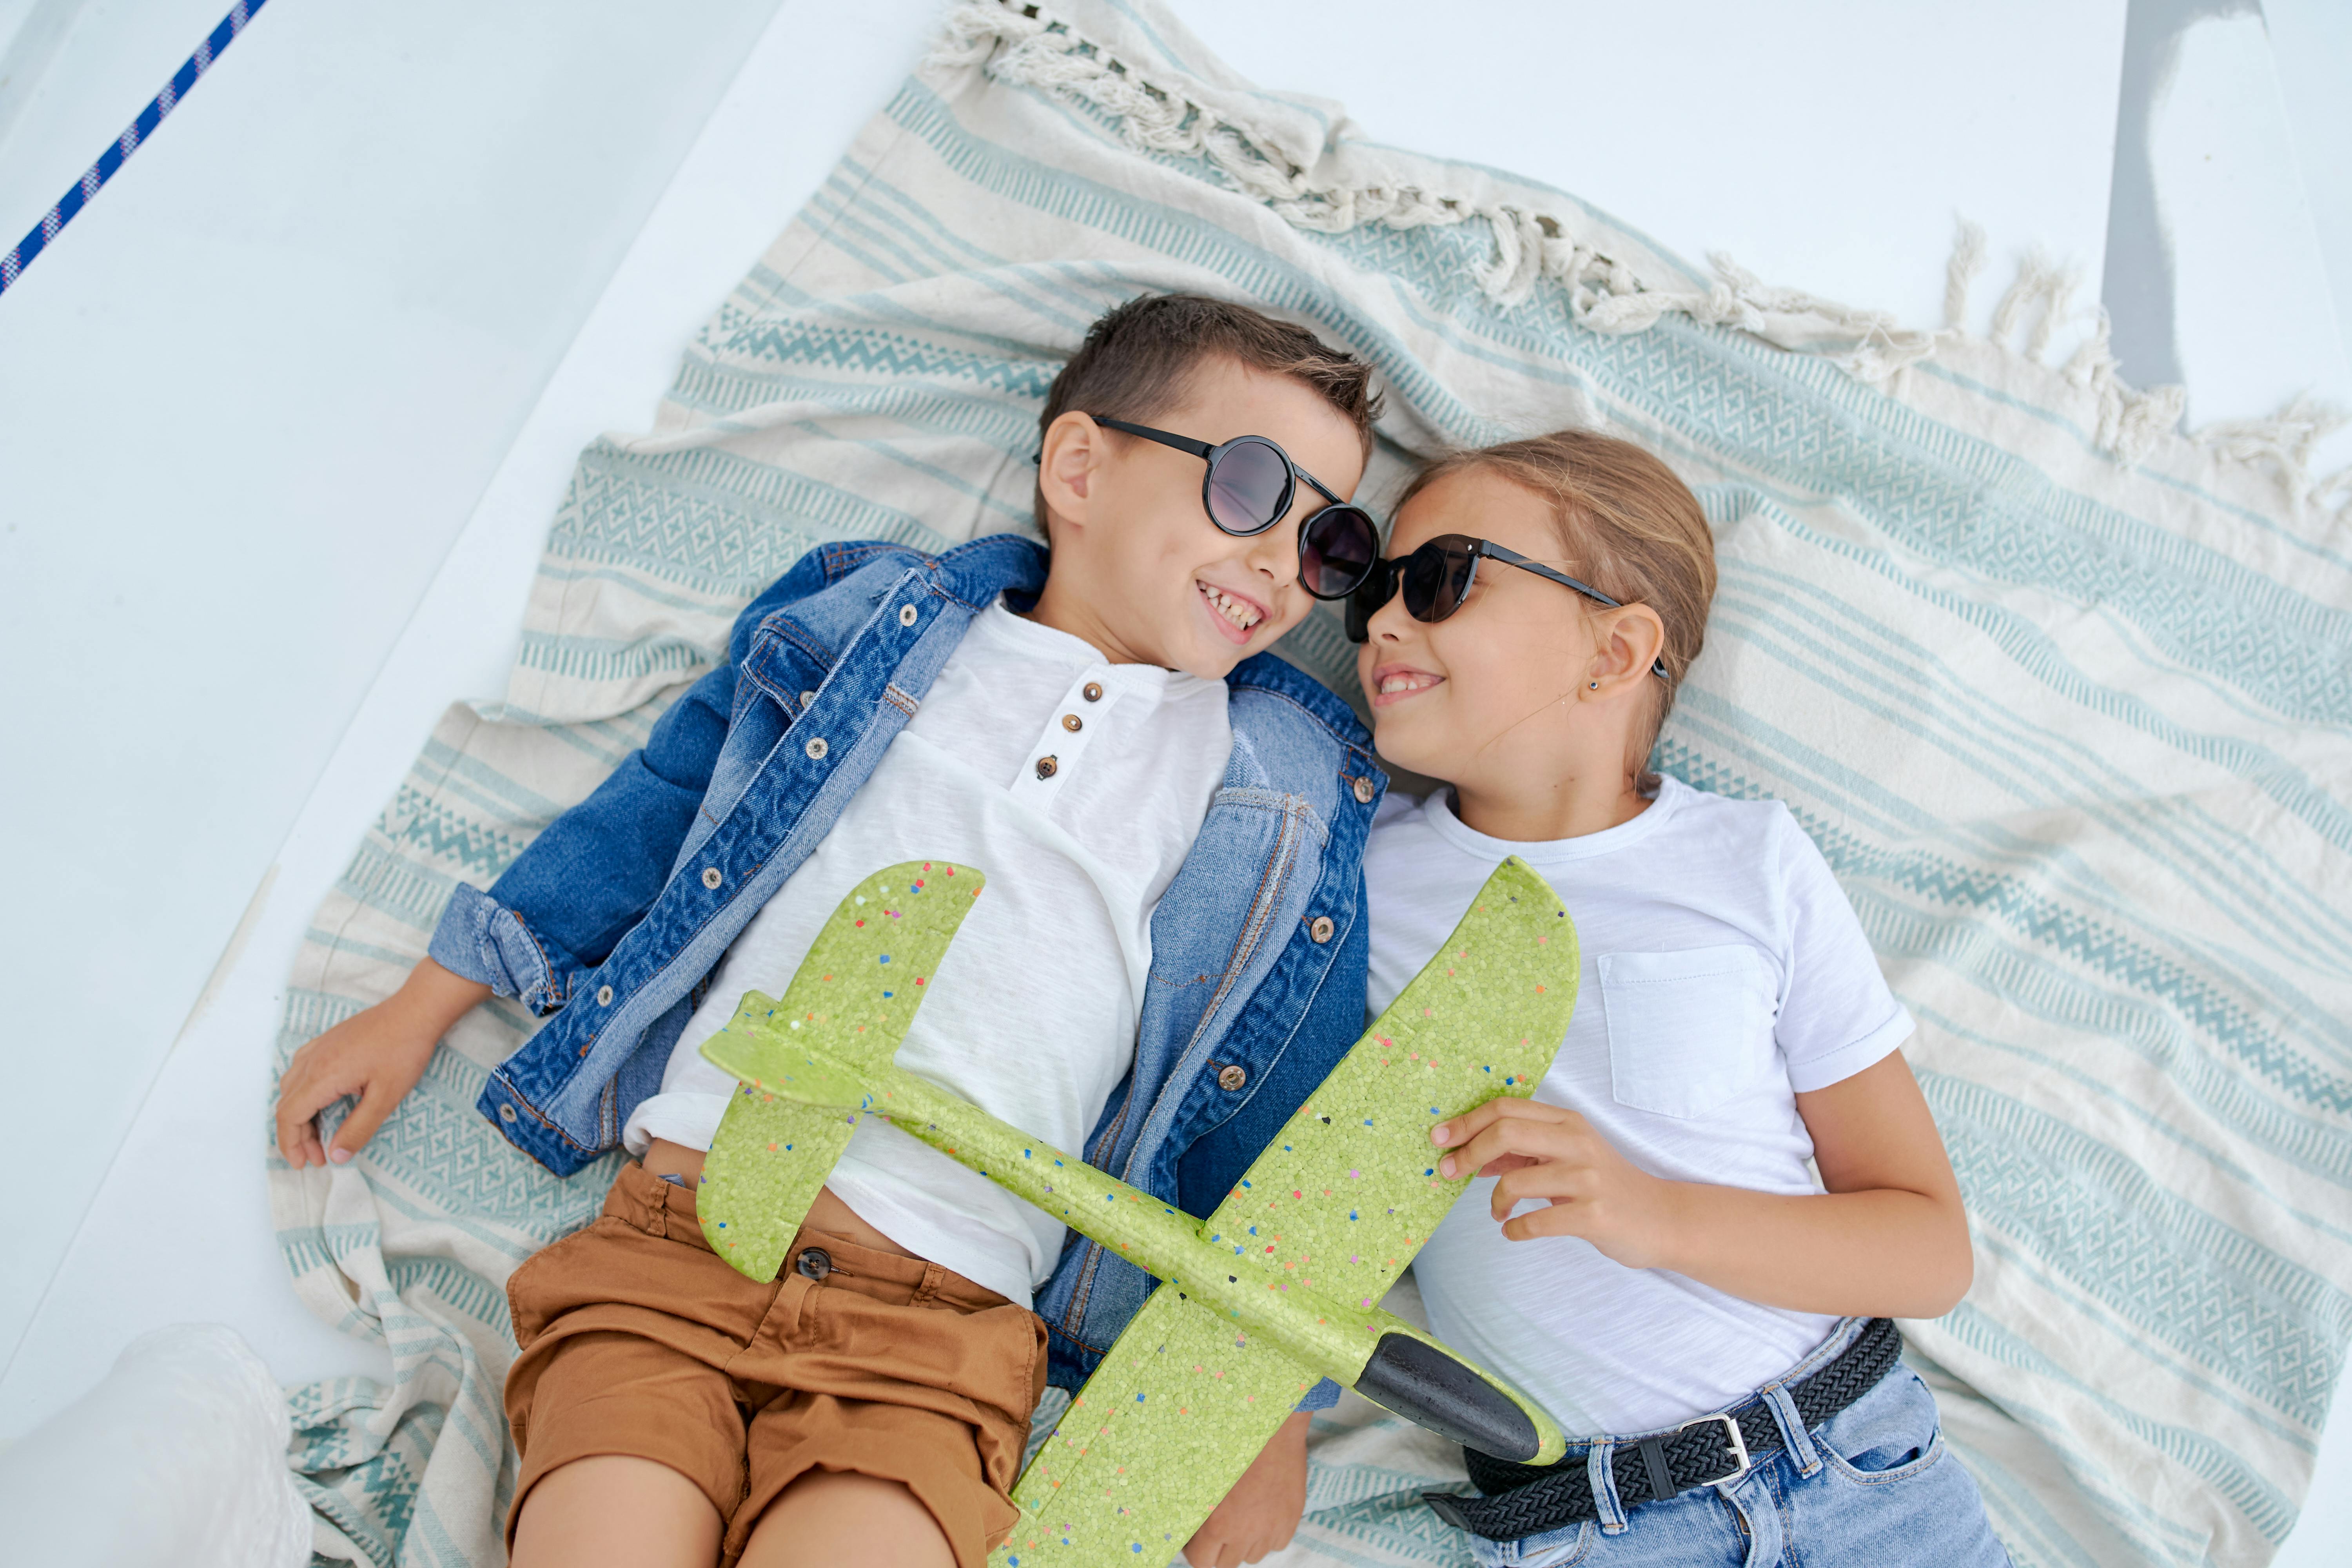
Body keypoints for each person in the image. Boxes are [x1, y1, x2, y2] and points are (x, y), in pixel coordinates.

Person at [273, 294, 1394, 1568]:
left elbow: (1278, 1108)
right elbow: (655, 814)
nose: (1278, 560)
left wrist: (1270, 1413)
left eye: (1329, 542)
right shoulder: (871, 623)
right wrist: (426, 1002)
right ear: (1080, 468)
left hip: (943, 1325)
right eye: (1252, 489)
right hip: (676, 1237)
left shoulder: (1281, 782)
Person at [1348, 430, 2009, 1566]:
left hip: (1850, 1466)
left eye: (1441, 579)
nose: (1381, 622)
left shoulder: (1750, 866)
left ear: (1614, 652)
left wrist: (1654, 1215)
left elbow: (1928, 1248)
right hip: (1580, 1528)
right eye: (1371, 588)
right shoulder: (1356, 879)